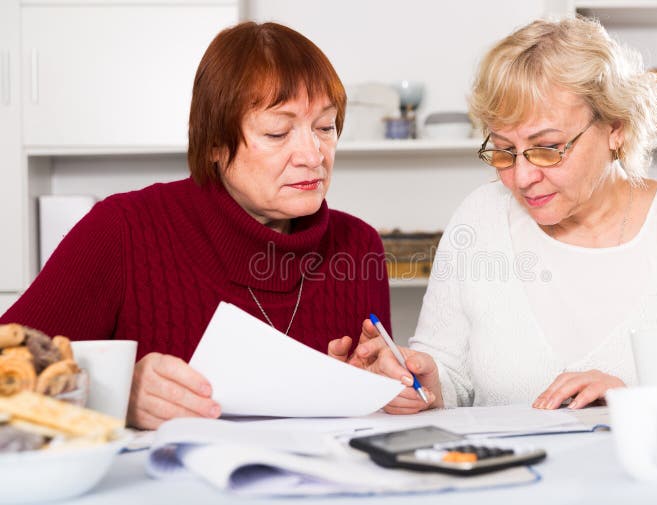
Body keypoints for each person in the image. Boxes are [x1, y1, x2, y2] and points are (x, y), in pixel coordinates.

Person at [329, 16, 657, 414]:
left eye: (548, 149)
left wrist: (638, 404)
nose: (521, 177)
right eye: (504, 150)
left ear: (616, 127)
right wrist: (426, 383)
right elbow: (449, 375)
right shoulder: (480, 220)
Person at [0, 22, 391, 429]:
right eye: (278, 132)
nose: (314, 155)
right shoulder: (122, 230)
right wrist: (114, 394)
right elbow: (7, 370)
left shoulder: (359, 245)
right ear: (215, 145)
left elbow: (372, 412)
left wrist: (378, 388)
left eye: (325, 128)